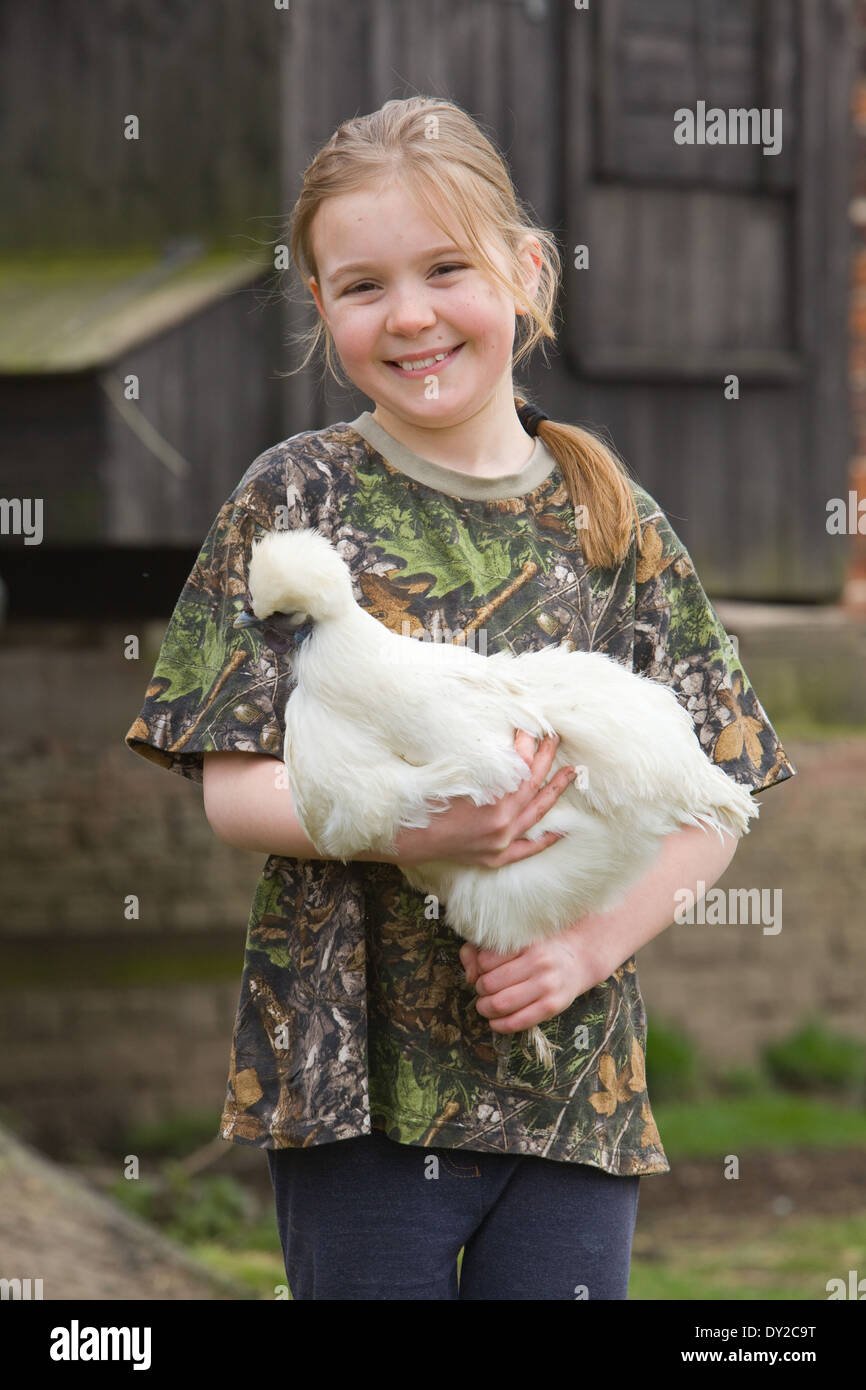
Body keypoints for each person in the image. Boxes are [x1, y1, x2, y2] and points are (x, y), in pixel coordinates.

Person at [124, 95, 797, 1300]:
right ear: (321, 308)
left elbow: (719, 792)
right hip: (351, 1072)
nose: (412, 314)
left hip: (566, 1080)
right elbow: (233, 786)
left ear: (525, 272)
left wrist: (586, 946)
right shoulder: (294, 499)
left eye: (446, 268)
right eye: (364, 284)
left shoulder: (611, 521)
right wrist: (413, 826)